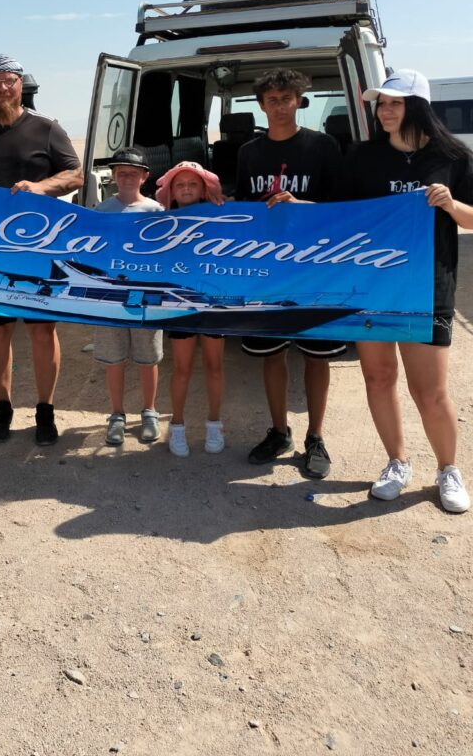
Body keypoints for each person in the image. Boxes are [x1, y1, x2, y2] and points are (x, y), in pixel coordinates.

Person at [343, 69, 473, 513]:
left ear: (417, 107)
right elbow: (338, 215)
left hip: (427, 287)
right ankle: (397, 463)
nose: (385, 111)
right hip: (370, 286)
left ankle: (448, 469)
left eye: (395, 103)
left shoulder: (452, 156)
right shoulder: (363, 157)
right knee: (378, 378)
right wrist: (296, 208)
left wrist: (451, 204)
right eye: (381, 104)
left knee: (429, 391)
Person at [0, 54, 83, 445]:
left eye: (9, 81)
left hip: (41, 249)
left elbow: (75, 174)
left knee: (43, 331)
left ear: (20, 84)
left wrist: (40, 187)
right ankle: (2, 407)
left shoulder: (46, 128)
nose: (2, 88)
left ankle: (45, 411)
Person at [234, 67, 345, 479]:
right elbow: (243, 209)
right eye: (272, 100)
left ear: (299, 101)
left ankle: (315, 436)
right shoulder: (248, 152)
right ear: (261, 106)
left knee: (317, 355)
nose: (279, 106)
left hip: (316, 266)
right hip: (267, 268)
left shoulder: (323, 146)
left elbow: (343, 208)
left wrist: (301, 206)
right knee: (271, 352)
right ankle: (279, 431)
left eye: (286, 99)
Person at [154, 161, 226, 457]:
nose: (186, 189)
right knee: (181, 368)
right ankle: (177, 425)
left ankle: (215, 424)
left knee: (214, 365)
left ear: (203, 188)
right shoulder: (160, 222)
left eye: (192, 183)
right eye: (180, 184)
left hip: (215, 302)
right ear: (171, 190)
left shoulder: (223, 218)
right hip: (179, 302)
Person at [93, 147, 164, 446]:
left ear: (144, 177)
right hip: (110, 296)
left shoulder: (156, 211)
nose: (126, 178)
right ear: (113, 175)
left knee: (148, 356)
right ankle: (116, 414)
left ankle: (149, 411)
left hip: (145, 295)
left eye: (133, 173)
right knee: (114, 358)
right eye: (121, 172)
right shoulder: (100, 211)